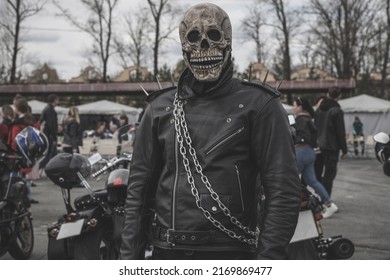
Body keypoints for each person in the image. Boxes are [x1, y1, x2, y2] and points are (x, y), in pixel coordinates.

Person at [120, 3, 301, 260]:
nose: (204, 46)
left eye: (214, 36)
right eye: (194, 37)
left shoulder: (260, 105)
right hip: (167, 253)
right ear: (184, 46)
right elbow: (138, 191)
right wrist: (128, 261)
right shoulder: (160, 107)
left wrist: (268, 261)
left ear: (227, 43)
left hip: (230, 252)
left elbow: (283, 189)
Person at [292, 97, 338, 218]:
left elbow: (302, 136)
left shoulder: (300, 119)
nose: (293, 108)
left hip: (300, 151)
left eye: (295, 105)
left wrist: (296, 139)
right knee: (312, 181)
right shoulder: (308, 118)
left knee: (290, 179)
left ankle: (289, 207)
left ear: (300, 106)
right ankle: (329, 204)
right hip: (309, 152)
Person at [314, 87, 348, 197]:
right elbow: (340, 131)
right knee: (329, 174)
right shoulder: (337, 111)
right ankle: (326, 199)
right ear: (339, 96)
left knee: (317, 172)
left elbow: (315, 127)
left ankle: (318, 196)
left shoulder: (319, 110)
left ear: (327, 94)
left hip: (319, 145)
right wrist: (344, 149)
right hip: (332, 147)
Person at [7, 98, 38, 204]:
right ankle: (27, 201)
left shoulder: (17, 124)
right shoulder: (29, 121)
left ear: (16, 109)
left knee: (18, 180)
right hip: (28, 153)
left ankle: (23, 203)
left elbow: (15, 141)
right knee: (26, 180)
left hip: (18, 154)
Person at [39, 94, 59, 171]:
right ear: (54, 100)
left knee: (52, 155)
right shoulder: (50, 110)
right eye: (57, 100)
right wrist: (54, 137)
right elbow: (52, 125)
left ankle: (53, 170)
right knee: (49, 155)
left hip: (46, 134)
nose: (58, 101)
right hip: (49, 135)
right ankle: (36, 169)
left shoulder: (47, 108)